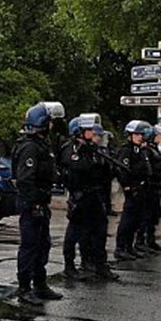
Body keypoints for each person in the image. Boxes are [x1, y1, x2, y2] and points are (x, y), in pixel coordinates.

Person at [11, 101, 65, 305]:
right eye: (50, 122)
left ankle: (40, 284)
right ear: (42, 123)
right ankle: (24, 288)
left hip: (41, 202)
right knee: (30, 246)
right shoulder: (30, 147)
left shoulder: (42, 145)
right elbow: (25, 179)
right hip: (32, 204)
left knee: (43, 244)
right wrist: (34, 203)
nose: (52, 125)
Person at [59, 116, 98, 279]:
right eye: (88, 130)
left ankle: (86, 261)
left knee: (87, 231)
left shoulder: (89, 148)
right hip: (78, 195)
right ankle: (69, 266)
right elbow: (77, 167)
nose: (91, 132)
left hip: (89, 194)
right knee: (73, 232)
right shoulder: (71, 148)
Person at [114, 120, 152, 260]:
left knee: (136, 220)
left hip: (141, 189)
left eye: (141, 134)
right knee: (127, 221)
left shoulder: (140, 150)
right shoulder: (126, 150)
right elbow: (121, 170)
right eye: (137, 134)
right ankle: (120, 248)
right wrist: (127, 186)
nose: (140, 137)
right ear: (130, 135)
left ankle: (129, 247)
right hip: (133, 190)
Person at [90, 124, 120, 280]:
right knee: (82, 233)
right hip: (85, 197)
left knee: (100, 231)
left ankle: (99, 264)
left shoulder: (100, 152)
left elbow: (106, 173)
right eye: (96, 135)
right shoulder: (81, 151)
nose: (98, 139)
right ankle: (85, 264)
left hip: (99, 195)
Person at [137, 124, 161, 253]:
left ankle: (150, 240)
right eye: (158, 136)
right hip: (149, 187)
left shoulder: (154, 150)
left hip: (156, 186)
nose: (160, 138)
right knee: (146, 216)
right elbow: (150, 170)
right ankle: (141, 241)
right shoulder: (146, 151)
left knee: (153, 217)